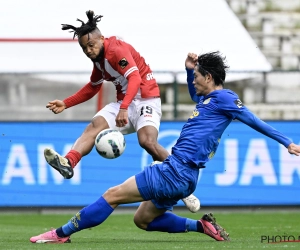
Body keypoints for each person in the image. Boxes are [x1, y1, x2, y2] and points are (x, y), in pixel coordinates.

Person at [30, 50, 300, 244]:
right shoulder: (210, 100)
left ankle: (61, 234)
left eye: (196, 76)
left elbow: (254, 120)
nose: (193, 81)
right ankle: (201, 225)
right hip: (185, 176)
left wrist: (287, 142)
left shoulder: (226, 99)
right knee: (143, 220)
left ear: (208, 77)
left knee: (112, 195)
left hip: (174, 171)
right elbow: (197, 95)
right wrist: (186, 69)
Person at [43, 10, 200, 212]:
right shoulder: (98, 60)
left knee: (148, 142)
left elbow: (135, 79)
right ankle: (69, 163)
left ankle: (184, 185)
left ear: (102, 38)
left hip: (147, 98)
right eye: (84, 48)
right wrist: (66, 103)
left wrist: (124, 108)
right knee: (94, 126)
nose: (88, 50)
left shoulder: (116, 50)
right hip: (124, 102)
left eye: (91, 45)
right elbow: (93, 86)